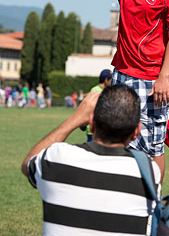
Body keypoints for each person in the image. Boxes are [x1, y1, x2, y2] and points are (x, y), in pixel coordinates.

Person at [47, 0, 169, 181]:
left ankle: (151, 203)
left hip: (153, 80)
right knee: (118, 140)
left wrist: (164, 76)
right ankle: (121, 192)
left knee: (153, 146)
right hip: (121, 75)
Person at [21, 84, 161, 236]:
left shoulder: (57, 158)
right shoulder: (149, 171)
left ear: (92, 124)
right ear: (136, 132)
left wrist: (75, 119)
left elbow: (27, 164)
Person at [85, 69, 112, 141]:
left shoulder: (101, 90)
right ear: (106, 80)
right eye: (111, 80)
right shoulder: (96, 91)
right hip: (94, 129)